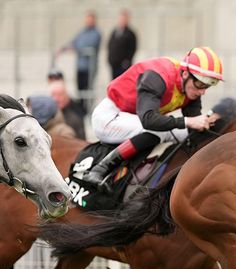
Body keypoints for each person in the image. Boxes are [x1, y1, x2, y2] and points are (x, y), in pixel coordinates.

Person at [81, 47, 223, 186]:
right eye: (200, 84)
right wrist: (188, 121)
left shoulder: (191, 88)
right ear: (185, 74)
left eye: (207, 86)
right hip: (109, 117)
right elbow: (149, 120)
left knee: (182, 133)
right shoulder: (158, 76)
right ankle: (99, 170)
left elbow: (192, 127)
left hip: (133, 120)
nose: (202, 91)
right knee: (160, 130)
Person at [56, 10, 102, 113]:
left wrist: (76, 48)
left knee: (88, 91)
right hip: (80, 66)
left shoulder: (96, 33)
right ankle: (81, 112)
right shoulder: (82, 32)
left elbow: (88, 46)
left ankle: (88, 111)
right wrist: (63, 49)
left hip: (89, 68)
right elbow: (73, 42)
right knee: (80, 90)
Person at [107, 10, 137, 80]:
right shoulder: (115, 31)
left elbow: (132, 48)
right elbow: (110, 45)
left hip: (123, 65)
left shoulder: (130, 33)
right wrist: (109, 59)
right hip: (114, 64)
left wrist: (127, 61)